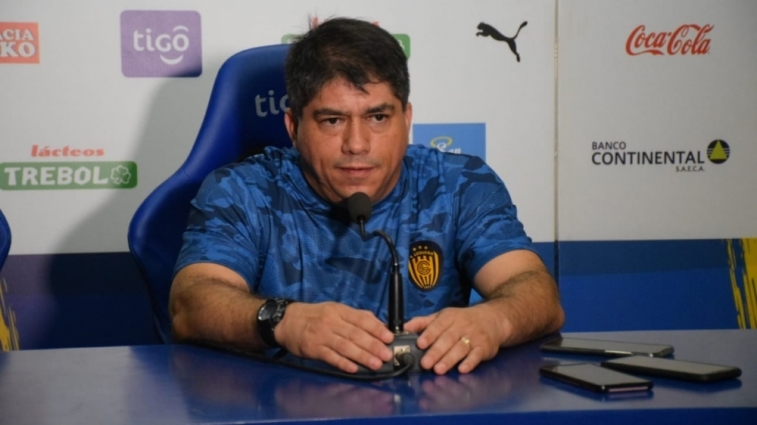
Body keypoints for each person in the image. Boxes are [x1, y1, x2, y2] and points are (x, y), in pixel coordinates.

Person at [169, 17, 564, 375]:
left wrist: (494, 320)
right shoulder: (243, 191)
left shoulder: (460, 185)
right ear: (294, 127)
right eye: (332, 120)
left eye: (377, 117)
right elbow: (191, 303)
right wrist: (284, 320)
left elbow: (535, 290)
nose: (356, 144)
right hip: (280, 408)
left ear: (406, 119)